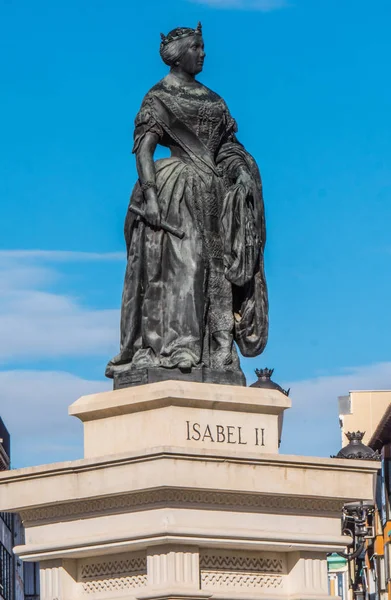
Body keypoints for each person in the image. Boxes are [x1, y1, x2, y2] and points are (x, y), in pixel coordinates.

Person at [106, 23, 268, 383]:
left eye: (202, 46)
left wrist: (241, 170)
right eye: (197, 47)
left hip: (215, 196)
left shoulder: (214, 101)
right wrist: (150, 196)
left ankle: (219, 348)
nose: (203, 53)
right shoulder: (158, 97)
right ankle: (178, 346)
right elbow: (144, 151)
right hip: (175, 191)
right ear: (179, 54)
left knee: (219, 271)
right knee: (185, 265)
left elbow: (227, 147)